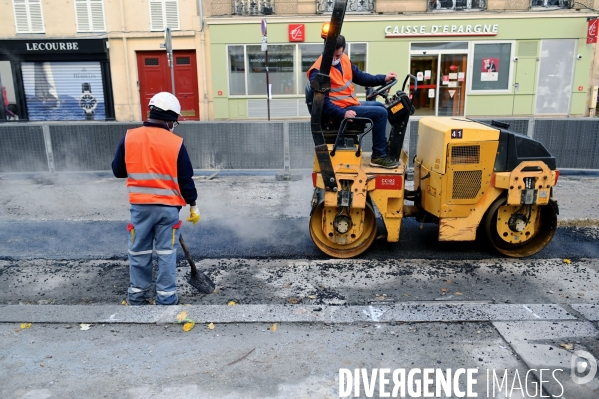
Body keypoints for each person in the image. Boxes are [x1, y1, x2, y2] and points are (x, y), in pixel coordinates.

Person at [112, 92, 199, 306]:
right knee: (166, 254)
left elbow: (118, 171)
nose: (174, 126)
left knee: (139, 251)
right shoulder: (176, 143)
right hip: (167, 209)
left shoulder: (129, 137)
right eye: (174, 122)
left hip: (140, 208)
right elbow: (185, 178)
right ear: (169, 120)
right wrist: (193, 204)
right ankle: (167, 298)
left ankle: (137, 296)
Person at [308, 35, 399, 168]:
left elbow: (361, 77)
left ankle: (383, 147)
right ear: (326, 50)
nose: (335, 59)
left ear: (343, 50)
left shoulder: (344, 60)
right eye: (332, 56)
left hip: (349, 104)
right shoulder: (318, 71)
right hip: (338, 112)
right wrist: (342, 114)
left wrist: (383, 78)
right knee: (381, 114)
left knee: (382, 107)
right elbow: (322, 104)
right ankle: (378, 156)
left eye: (338, 55)